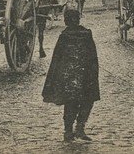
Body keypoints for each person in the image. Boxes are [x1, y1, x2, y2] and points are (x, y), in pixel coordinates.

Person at [43, 8, 100, 142]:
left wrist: (54, 78)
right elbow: (93, 57)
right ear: (78, 19)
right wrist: (93, 74)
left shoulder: (64, 36)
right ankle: (80, 128)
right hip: (86, 76)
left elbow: (56, 58)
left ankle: (68, 131)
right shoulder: (87, 34)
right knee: (87, 101)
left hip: (68, 77)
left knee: (70, 103)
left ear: (66, 20)